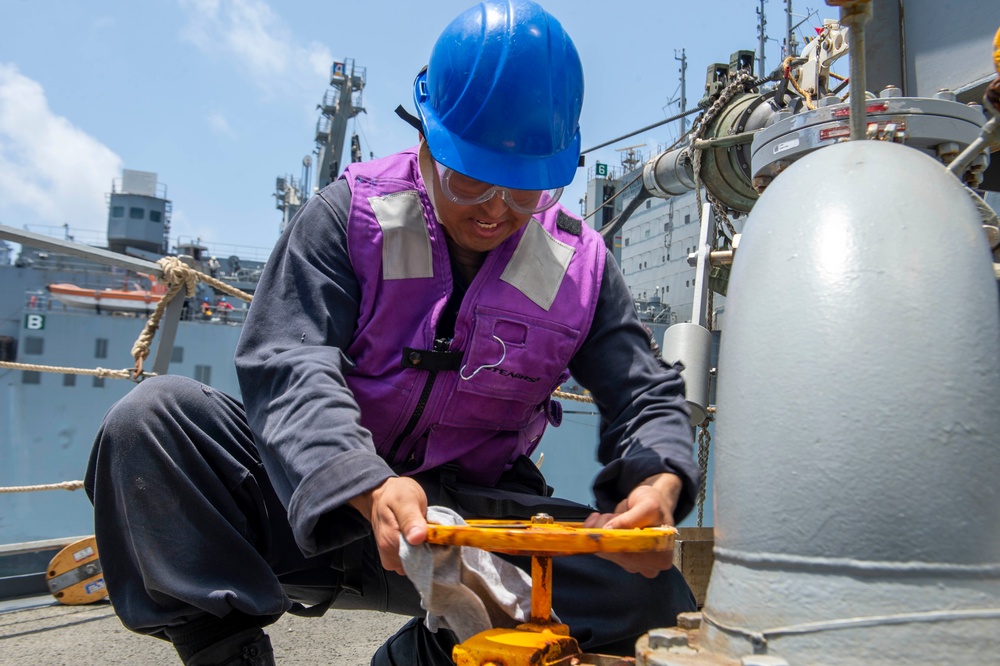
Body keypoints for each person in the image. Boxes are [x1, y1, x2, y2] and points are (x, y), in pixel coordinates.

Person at [84, 2, 700, 665]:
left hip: (466, 527)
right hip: (317, 501)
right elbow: (289, 366)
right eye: (472, 182)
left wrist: (658, 483)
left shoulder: (580, 267)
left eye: (526, 193)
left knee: (650, 594)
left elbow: (646, 397)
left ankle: (429, 651)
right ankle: (225, 653)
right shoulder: (346, 219)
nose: (496, 212)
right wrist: (367, 484)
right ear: (429, 141)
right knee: (152, 422)